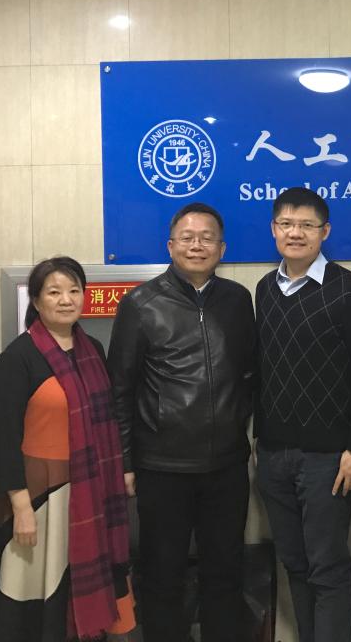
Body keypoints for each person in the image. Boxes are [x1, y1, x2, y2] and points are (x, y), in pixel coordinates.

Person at [108, 203, 257, 642]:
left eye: (207, 237)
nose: (197, 245)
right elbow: (120, 389)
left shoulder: (238, 300)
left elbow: (250, 374)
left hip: (226, 467)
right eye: (187, 237)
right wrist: (125, 461)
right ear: (170, 245)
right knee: (162, 575)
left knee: (225, 573)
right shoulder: (140, 303)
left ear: (222, 248)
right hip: (162, 466)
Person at [253, 186, 351, 642]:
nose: (296, 233)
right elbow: (264, 368)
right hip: (274, 456)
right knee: (294, 563)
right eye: (287, 224)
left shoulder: (349, 289)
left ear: (324, 232)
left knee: (327, 568)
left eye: (307, 225)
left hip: (328, 459)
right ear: (274, 229)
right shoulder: (265, 289)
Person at [0, 256, 133, 641]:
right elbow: (3, 437)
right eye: (53, 292)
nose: (66, 300)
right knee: (41, 590)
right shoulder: (18, 358)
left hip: (89, 490)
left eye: (73, 291)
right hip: (39, 495)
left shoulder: (93, 349)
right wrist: (20, 507)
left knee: (78, 586)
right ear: (36, 301)